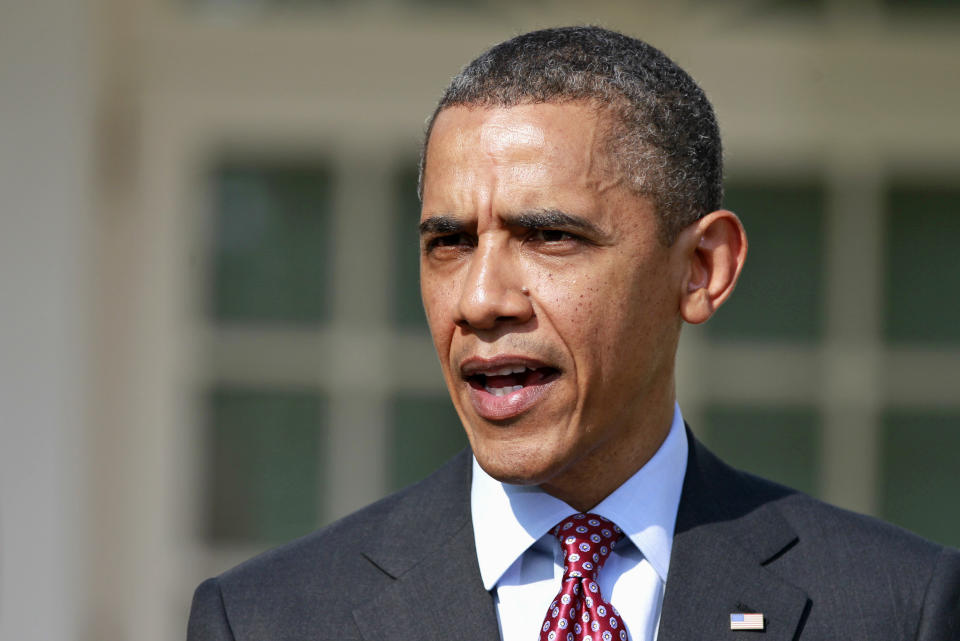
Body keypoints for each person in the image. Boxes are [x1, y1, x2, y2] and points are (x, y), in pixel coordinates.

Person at [186, 26, 960, 641]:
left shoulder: (895, 608)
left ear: (700, 268)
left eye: (549, 236)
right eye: (448, 242)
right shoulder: (267, 619)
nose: (481, 299)